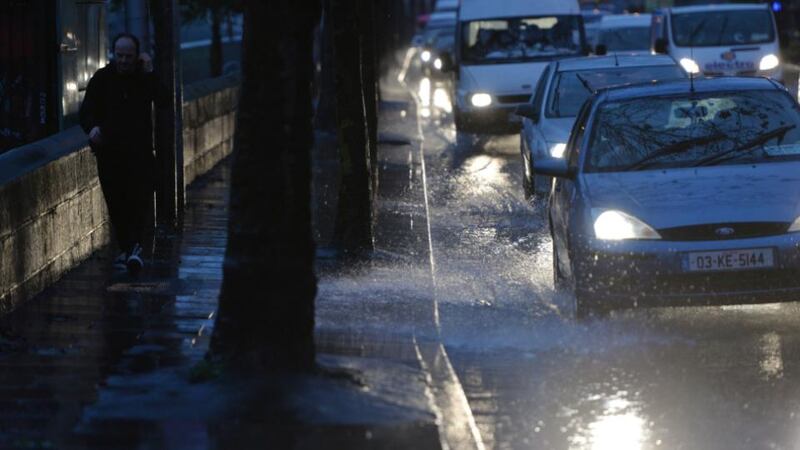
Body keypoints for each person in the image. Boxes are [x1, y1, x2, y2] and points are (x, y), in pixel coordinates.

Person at [79, 33, 166, 274]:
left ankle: (132, 249)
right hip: (111, 154)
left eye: (128, 56)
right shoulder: (102, 79)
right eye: (120, 56)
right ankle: (131, 249)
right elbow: (86, 112)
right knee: (117, 204)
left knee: (139, 201)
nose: (124, 61)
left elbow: (164, 100)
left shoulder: (143, 79)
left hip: (139, 154)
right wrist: (93, 127)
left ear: (137, 56)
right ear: (113, 54)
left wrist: (149, 72)